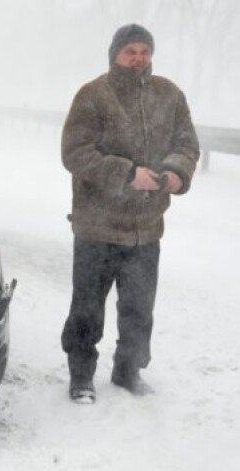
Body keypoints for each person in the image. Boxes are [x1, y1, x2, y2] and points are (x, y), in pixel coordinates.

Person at [60, 24, 199, 403]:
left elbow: (186, 142)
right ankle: (82, 376)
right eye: (130, 51)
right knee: (87, 308)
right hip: (97, 226)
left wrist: (175, 172)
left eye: (144, 50)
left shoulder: (169, 95)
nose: (138, 57)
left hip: (146, 228)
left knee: (139, 309)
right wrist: (126, 174)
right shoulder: (93, 96)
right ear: (114, 54)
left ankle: (128, 371)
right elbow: (75, 153)